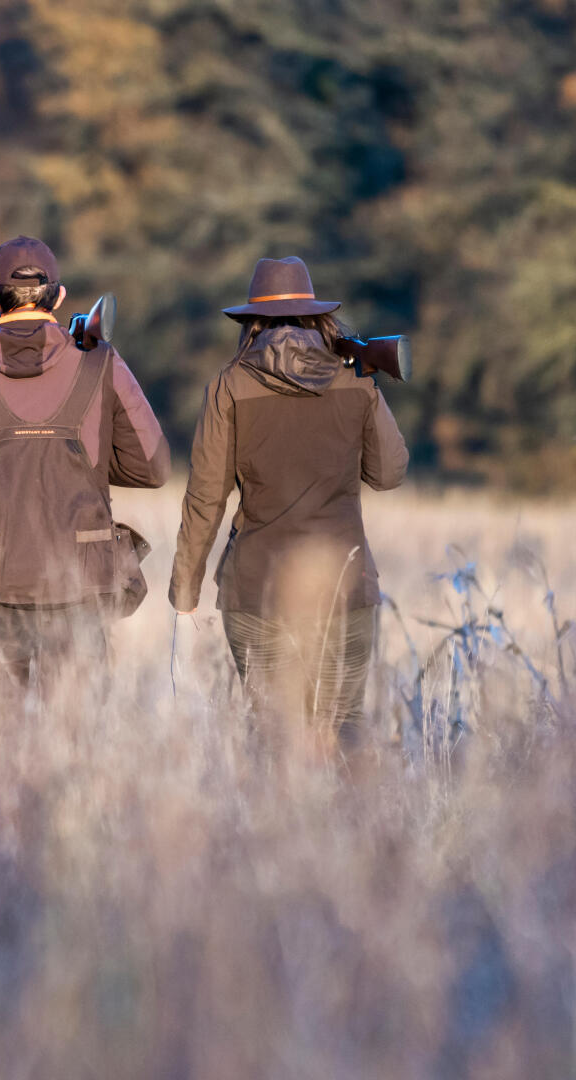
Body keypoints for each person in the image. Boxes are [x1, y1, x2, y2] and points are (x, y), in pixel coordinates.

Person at [0, 236, 171, 703]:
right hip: (78, 592)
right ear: (60, 297)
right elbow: (153, 467)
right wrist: (83, 456)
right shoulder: (100, 363)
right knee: (75, 755)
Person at [170, 256, 408, 745]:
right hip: (345, 584)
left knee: (274, 738)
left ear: (251, 322)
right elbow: (389, 474)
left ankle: (280, 825)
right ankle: (357, 824)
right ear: (318, 317)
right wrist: (367, 384)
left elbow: (206, 497)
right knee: (344, 730)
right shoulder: (355, 379)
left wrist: (185, 592)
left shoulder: (228, 386)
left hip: (258, 589)